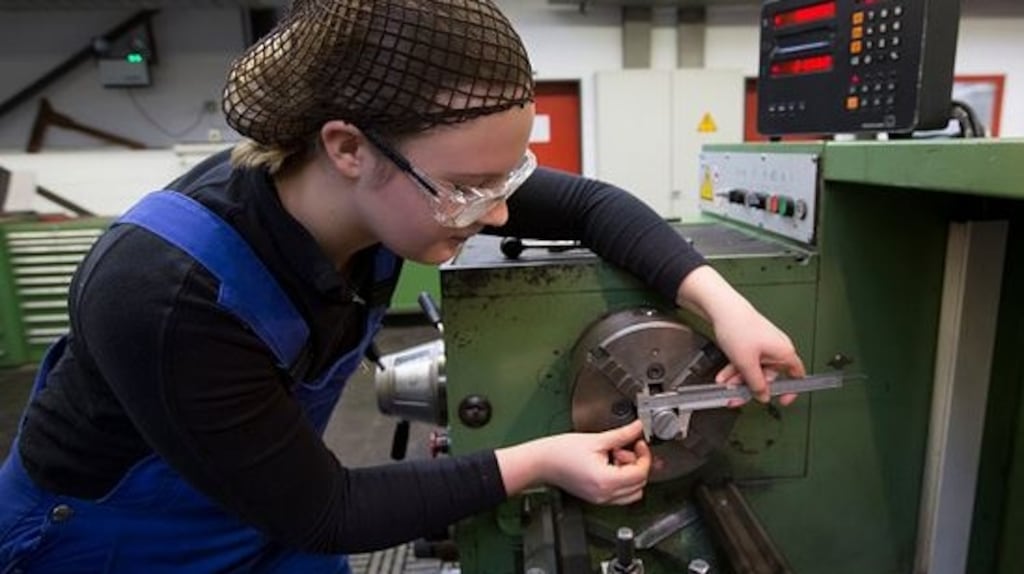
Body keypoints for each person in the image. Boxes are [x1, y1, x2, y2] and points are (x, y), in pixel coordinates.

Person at [0, 1, 805, 572]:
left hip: (264, 517)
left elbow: (591, 205)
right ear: (348, 147)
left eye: (506, 178)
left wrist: (723, 305)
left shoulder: (401, 199)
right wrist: (539, 461)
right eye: (467, 186)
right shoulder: (166, 295)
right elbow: (329, 513)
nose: (492, 211)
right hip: (107, 543)